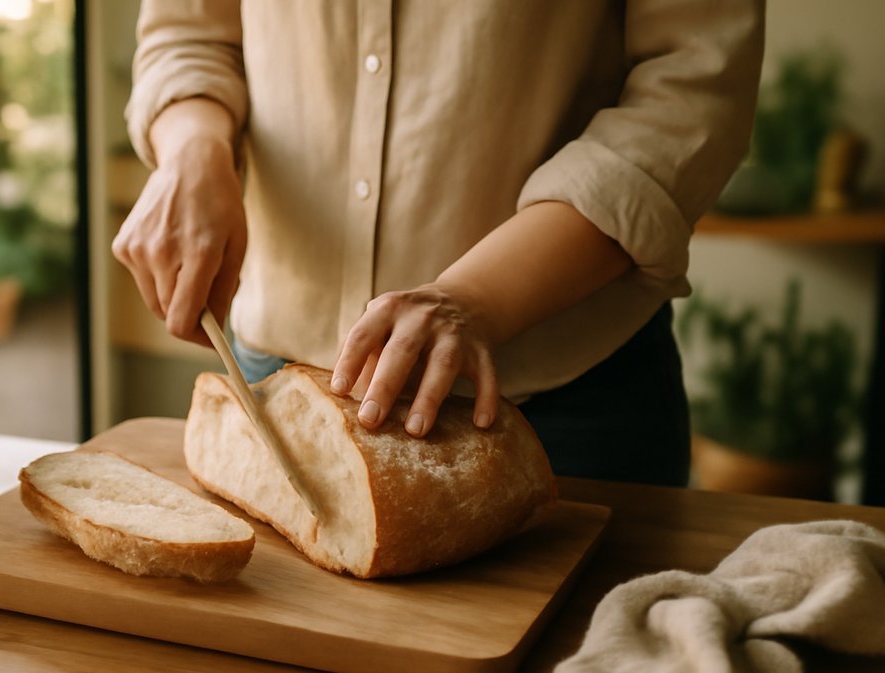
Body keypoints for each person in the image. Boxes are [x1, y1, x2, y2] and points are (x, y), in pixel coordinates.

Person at [113, 1, 765, 486]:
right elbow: (188, 32)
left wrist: (478, 295)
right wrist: (192, 148)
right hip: (274, 380)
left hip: (561, 409)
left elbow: (689, 94)